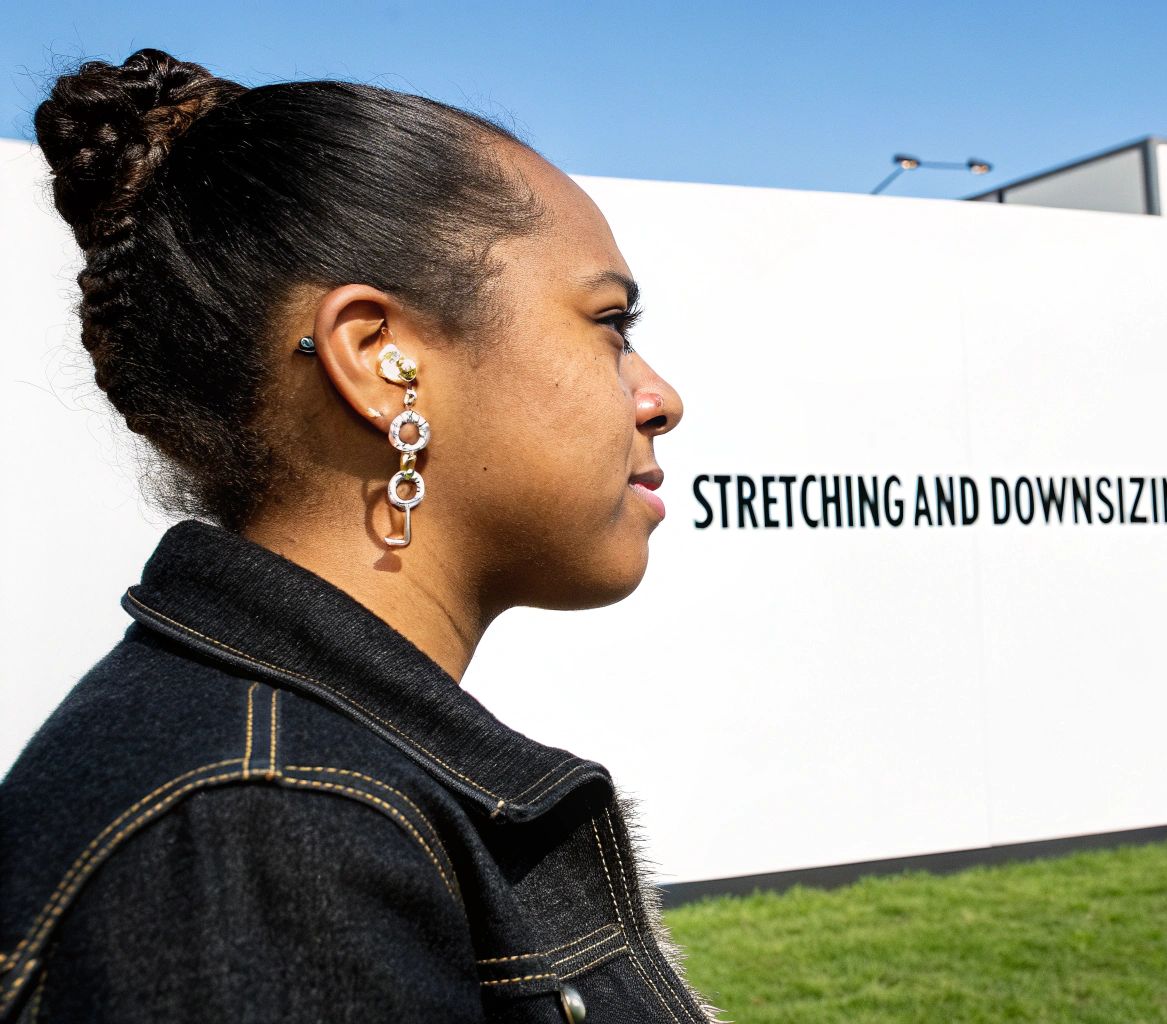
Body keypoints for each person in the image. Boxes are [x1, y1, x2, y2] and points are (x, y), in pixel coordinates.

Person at [0, 49, 717, 1023]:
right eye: (609, 323)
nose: (658, 398)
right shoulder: (273, 830)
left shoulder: (280, 786)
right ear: (381, 359)